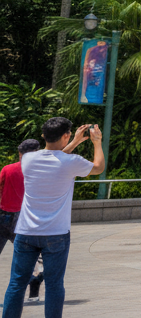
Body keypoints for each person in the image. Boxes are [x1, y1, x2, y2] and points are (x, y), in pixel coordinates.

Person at [2, 118, 102, 316]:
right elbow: (98, 167)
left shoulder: (29, 159)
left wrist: (73, 142)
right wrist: (96, 141)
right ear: (65, 135)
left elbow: (52, 157)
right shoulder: (72, 163)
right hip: (56, 234)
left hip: (25, 232)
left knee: (16, 284)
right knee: (55, 285)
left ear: (43, 136)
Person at [0, 140, 41, 257]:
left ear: (20, 153)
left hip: (3, 215)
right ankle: (34, 274)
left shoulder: (7, 169)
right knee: (27, 255)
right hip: (25, 218)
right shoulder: (38, 172)